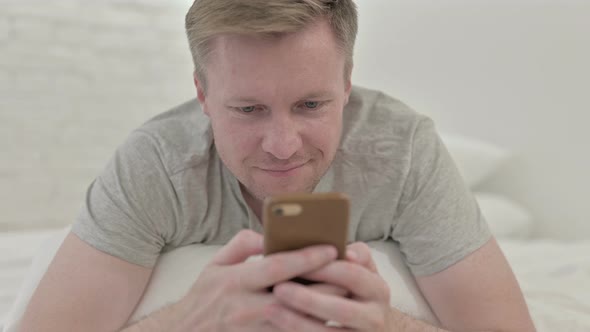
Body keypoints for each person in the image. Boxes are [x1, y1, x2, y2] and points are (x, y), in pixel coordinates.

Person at [19, 0, 536, 331]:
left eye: (312, 105)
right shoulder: (156, 164)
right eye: (248, 109)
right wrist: (185, 322)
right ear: (202, 93)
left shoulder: (402, 152)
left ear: (347, 82)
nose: (283, 146)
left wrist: (390, 326)